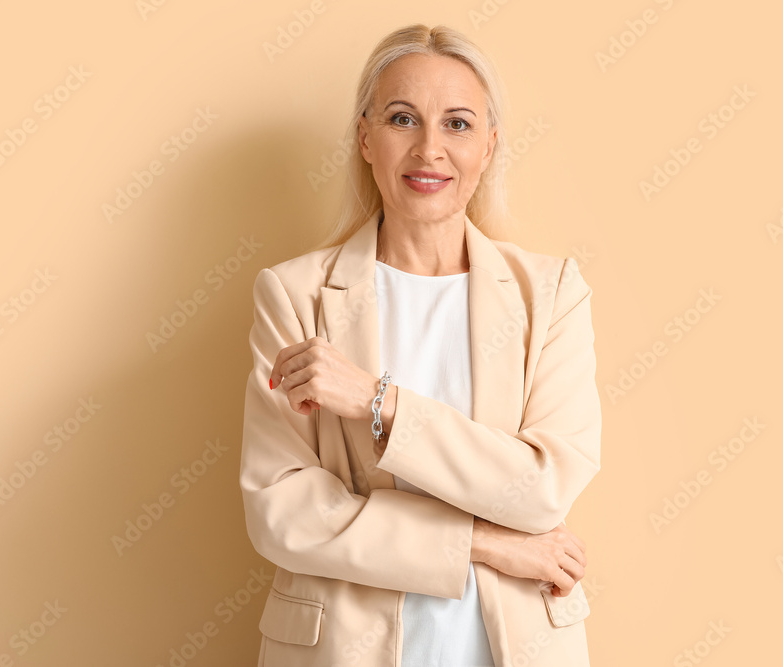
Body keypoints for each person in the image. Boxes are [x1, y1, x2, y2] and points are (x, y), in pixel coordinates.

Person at [240, 23, 602, 667]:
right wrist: (482, 543)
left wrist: (376, 401)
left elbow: (541, 488)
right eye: (403, 118)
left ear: (489, 146)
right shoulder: (294, 296)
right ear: (365, 137)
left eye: (458, 124)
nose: (430, 149)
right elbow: (283, 512)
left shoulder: (551, 295)